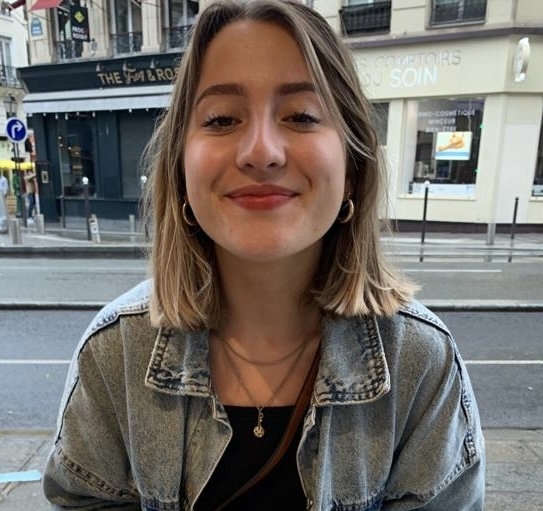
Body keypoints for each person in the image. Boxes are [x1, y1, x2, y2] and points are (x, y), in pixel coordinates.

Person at [43, 1, 485, 509]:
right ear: (181, 170)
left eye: (301, 116)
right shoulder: (116, 352)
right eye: (221, 119)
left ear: (352, 168)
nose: (261, 151)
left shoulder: (420, 363)